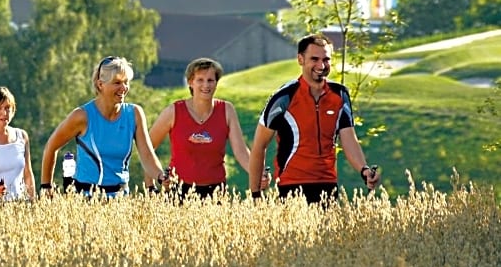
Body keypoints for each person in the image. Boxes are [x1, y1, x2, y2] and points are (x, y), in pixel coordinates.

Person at [249, 34, 381, 204]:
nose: (321, 65)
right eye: (315, 59)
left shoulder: (340, 95)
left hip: (327, 185)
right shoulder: (284, 97)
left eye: (326, 59)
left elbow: (349, 140)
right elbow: (259, 146)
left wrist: (364, 170)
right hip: (291, 187)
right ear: (300, 59)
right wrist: (255, 195)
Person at [40, 56, 168, 198]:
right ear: (100, 84)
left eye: (126, 82)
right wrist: (46, 186)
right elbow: (51, 147)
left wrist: (161, 176)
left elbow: (147, 155)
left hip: (120, 201)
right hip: (85, 200)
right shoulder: (82, 116)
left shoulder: (135, 113)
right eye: (117, 83)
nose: (124, 88)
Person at [149, 57, 266, 200]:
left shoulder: (227, 110)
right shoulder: (173, 111)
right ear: (190, 82)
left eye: (210, 80)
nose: (206, 85)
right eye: (200, 80)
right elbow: (147, 149)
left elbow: (241, 152)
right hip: (179, 190)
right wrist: (152, 183)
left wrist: (258, 174)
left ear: (216, 83)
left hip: (216, 191)